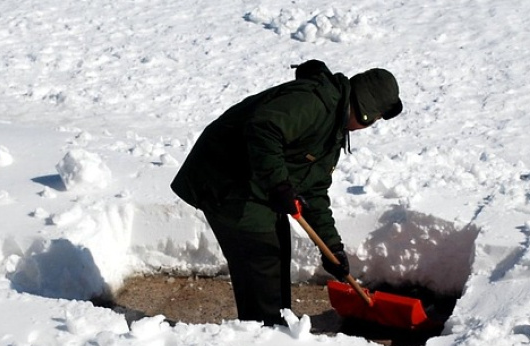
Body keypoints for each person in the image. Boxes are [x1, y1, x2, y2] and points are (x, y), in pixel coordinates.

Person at [170, 60, 402, 326]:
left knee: (277, 247)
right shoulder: (315, 103)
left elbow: (313, 189)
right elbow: (263, 128)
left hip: (256, 181)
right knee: (260, 254)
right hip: (225, 178)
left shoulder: (333, 125)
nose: (369, 126)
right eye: (373, 121)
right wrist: (279, 184)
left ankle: (279, 323)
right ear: (364, 113)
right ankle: (264, 332)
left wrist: (332, 249)